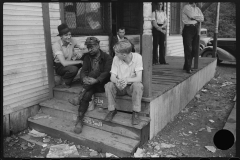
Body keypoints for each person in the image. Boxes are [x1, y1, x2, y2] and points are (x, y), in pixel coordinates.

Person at [68, 37, 113, 134]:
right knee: (87, 94)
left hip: (101, 84)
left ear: (98, 45)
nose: (90, 50)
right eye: (88, 47)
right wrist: (83, 78)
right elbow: (83, 70)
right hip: (89, 84)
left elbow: (106, 73)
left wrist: (96, 80)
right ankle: (79, 121)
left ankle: (79, 96)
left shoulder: (107, 57)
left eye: (92, 47)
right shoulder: (87, 57)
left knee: (94, 73)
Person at [104, 40, 144, 125]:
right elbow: (112, 77)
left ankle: (136, 113)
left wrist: (126, 80)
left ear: (124, 55)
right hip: (119, 87)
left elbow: (139, 78)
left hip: (130, 88)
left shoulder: (138, 57)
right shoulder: (116, 58)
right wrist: (117, 81)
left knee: (138, 85)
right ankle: (112, 110)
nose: (115, 55)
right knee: (108, 85)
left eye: (116, 53)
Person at [52, 23, 86, 88]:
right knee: (73, 69)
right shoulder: (56, 45)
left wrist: (81, 51)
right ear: (61, 36)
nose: (69, 37)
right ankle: (64, 81)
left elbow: (88, 48)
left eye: (70, 34)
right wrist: (80, 62)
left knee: (86, 56)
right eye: (66, 35)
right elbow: (64, 63)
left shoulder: (72, 40)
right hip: (60, 67)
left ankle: (86, 79)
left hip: (70, 61)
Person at [182, 2, 204, 73]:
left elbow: (202, 18)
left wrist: (195, 18)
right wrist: (197, 17)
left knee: (194, 49)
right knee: (188, 48)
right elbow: (191, 16)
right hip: (188, 28)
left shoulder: (197, 9)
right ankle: (188, 67)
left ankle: (186, 66)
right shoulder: (186, 7)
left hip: (195, 28)